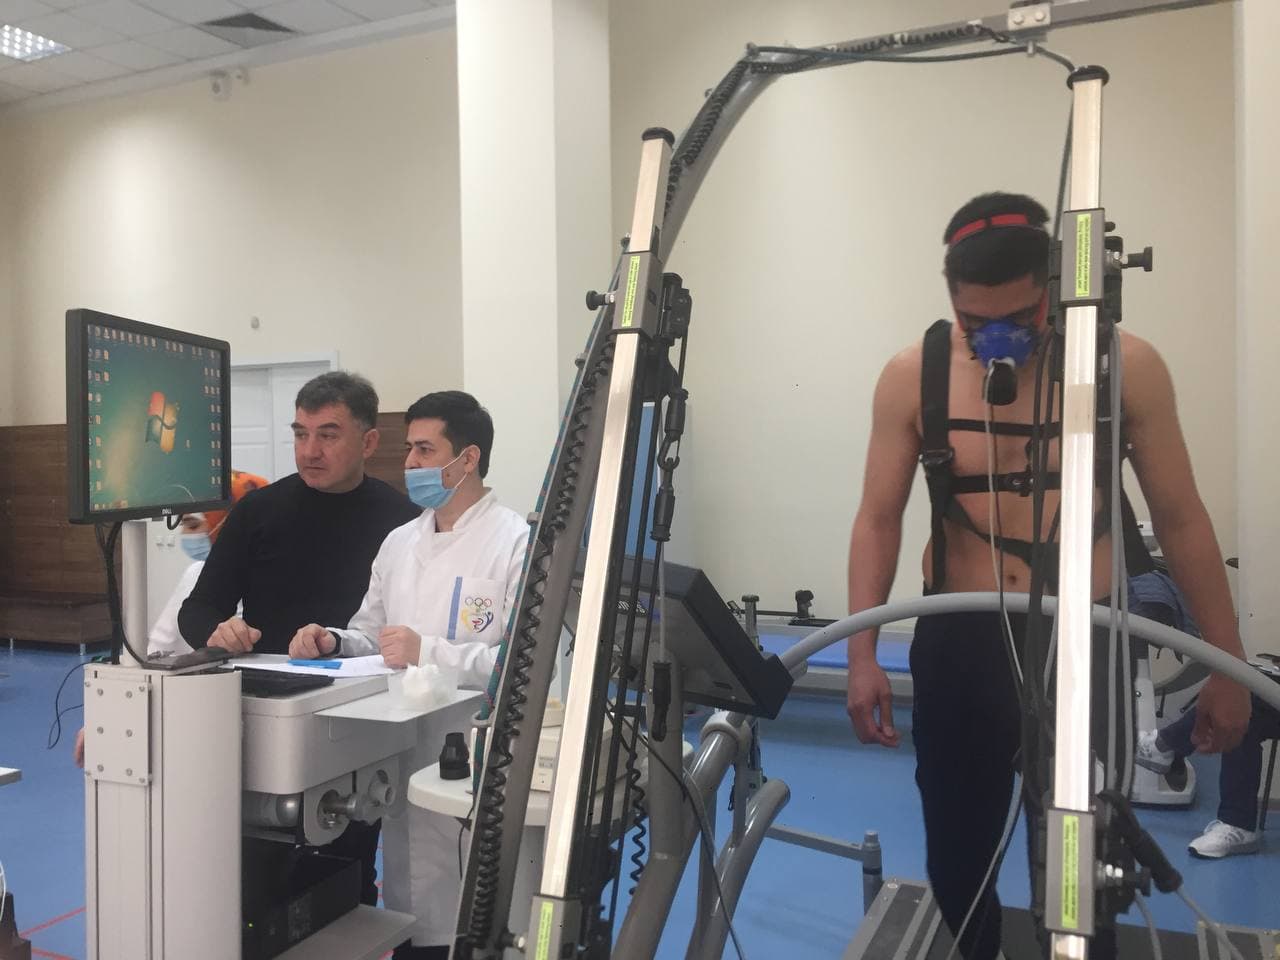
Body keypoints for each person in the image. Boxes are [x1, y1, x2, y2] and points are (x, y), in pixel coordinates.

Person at [844, 193, 1250, 959]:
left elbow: (1182, 520)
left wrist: (1226, 666)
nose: (998, 337)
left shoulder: (1125, 367)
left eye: (1021, 317)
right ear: (951, 299)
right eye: (975, 321)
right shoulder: (914, 375)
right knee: (957, 854)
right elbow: (877, 519)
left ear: (1056, 290)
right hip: (960, 640)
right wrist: (862, 655)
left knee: (1081, 865)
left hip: (1083, 639)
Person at [290, 391, 529, 960]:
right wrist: (333, 641)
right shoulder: (400, 542)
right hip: (400, 751)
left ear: (468, 458)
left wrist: (431, 652)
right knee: (411, 906)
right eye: (408, 450)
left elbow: (522, 664)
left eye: (425, 450)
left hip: (475, 754)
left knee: (476, 911)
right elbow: (371, 633)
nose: (410, 464)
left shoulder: (515, 543)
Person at [178, 371, 420, 906]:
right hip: (264, 721)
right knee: (256, 879)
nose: (310, 450)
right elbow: (199, 607)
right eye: (300, 434)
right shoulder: (258, 512)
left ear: (369, 442)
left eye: (328, 435)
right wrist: (217, 630)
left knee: (348, 872)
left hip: (359, 723)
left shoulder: (403, 524)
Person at [73, 469, 268, 765]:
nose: (186, 534)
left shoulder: (198, 576)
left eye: (193, 524)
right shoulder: (200, 575)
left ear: (227, 523)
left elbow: (151, 652)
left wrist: (108, 717)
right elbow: (153, 655)